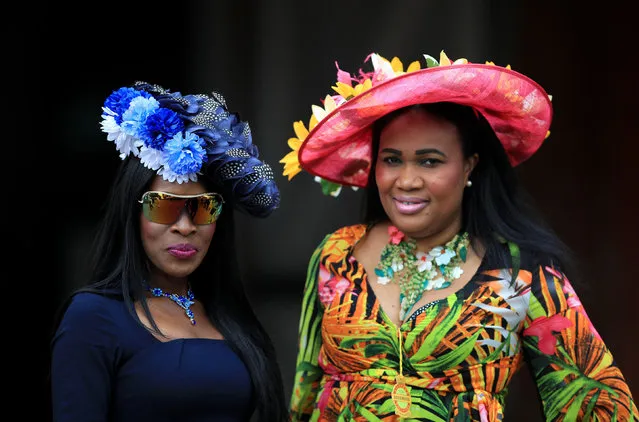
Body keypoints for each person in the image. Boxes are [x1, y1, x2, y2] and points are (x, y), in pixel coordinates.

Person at [280, 51, 638, 421]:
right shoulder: (338, 252)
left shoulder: (523, 274)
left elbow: (600, 405)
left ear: (470, 165)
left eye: (429, 161)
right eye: (391, 160)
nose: (406, 180)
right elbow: (305, 397)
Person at [50, 81, 288, 421]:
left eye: (203, 208)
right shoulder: (94, 316)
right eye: (163, 207)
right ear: (132, 215)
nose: (185, 226)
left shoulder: (230, 315)